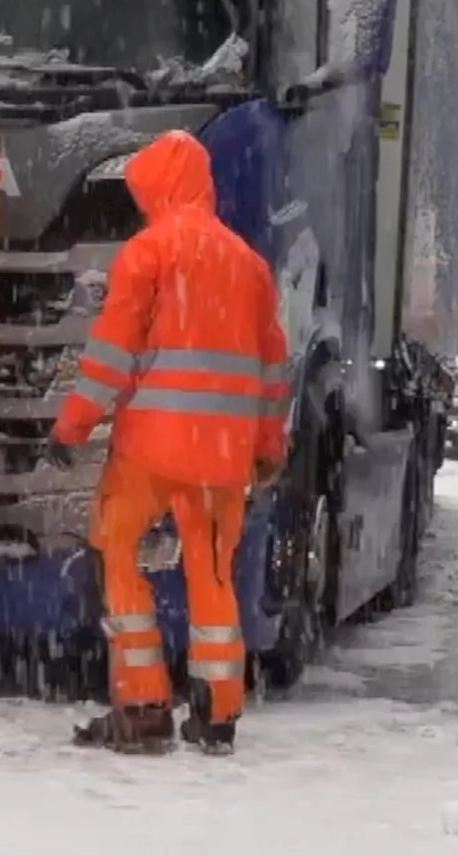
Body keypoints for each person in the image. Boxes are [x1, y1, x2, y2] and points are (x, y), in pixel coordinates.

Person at [43, 129, 289, 755]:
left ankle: (143, 703)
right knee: (211, 573)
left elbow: (110, 355)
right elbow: (272, 371)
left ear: (156, 188)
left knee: (114, 548)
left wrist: (72, 427)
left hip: (150, 450)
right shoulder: (250, 265)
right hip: (223, 457)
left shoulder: (148, 252)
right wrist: (266, 449)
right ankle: (217, 713)